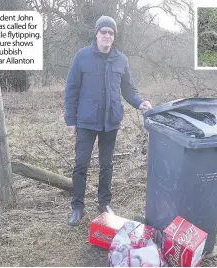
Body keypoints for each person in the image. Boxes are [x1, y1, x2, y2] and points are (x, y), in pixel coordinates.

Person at [64, 15, 152, 226]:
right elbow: (71, 89)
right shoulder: (82, 56)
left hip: (110, 121)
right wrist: (71, 119)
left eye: (110, 33)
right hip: (86, 120)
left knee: (107, 164)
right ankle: (77, 207)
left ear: (114, 37)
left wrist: (140, 103)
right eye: (103, 32)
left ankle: (104, 204)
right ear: (96, 34)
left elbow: (128, 89)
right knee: (80, 164)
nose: (107, 35)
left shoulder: (121, 60)